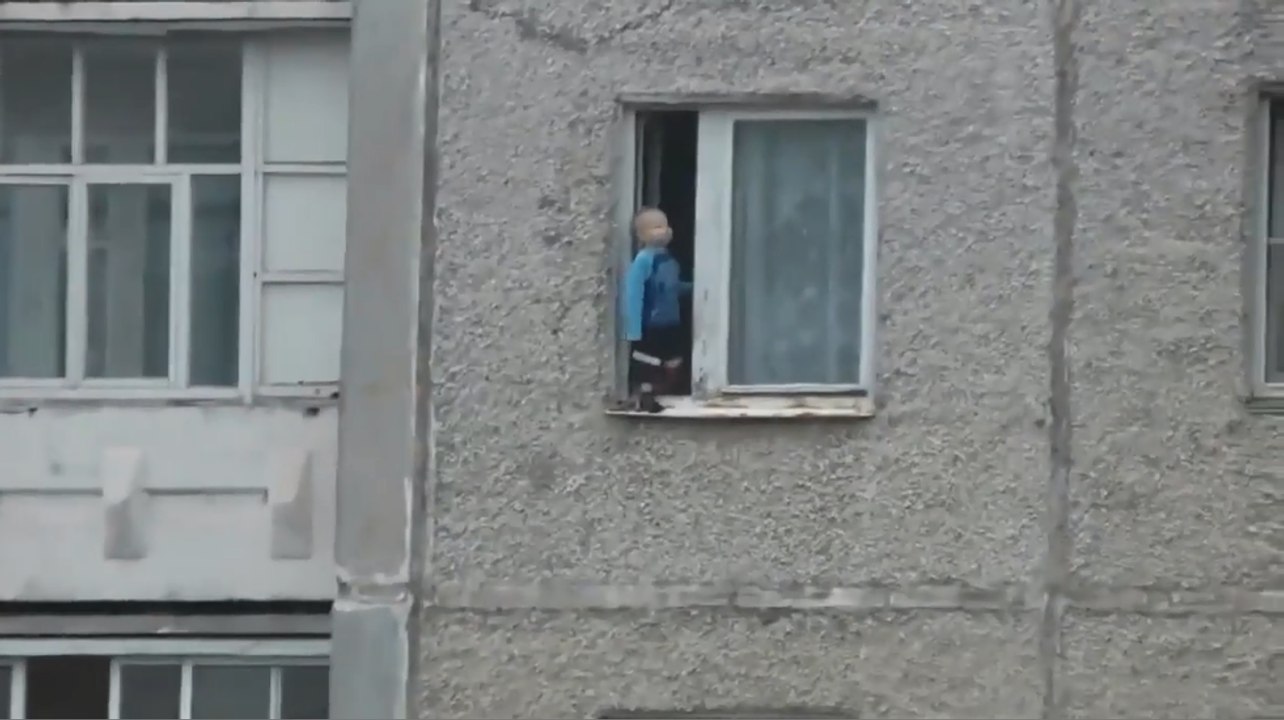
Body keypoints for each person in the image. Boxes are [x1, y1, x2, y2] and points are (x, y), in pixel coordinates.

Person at [623, 207, 691, 412]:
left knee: (673, 360)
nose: (665, 230)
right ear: (642, 235)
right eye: (657, 227)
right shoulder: (644, 260)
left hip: (671, 321)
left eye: (666, 225)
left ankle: (665, 391)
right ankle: (645, 395)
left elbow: (674, 286)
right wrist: (633, 328)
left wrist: (697, 287)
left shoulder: (669, 259)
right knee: (648, 361)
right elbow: (633, 293)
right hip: (651, 323)